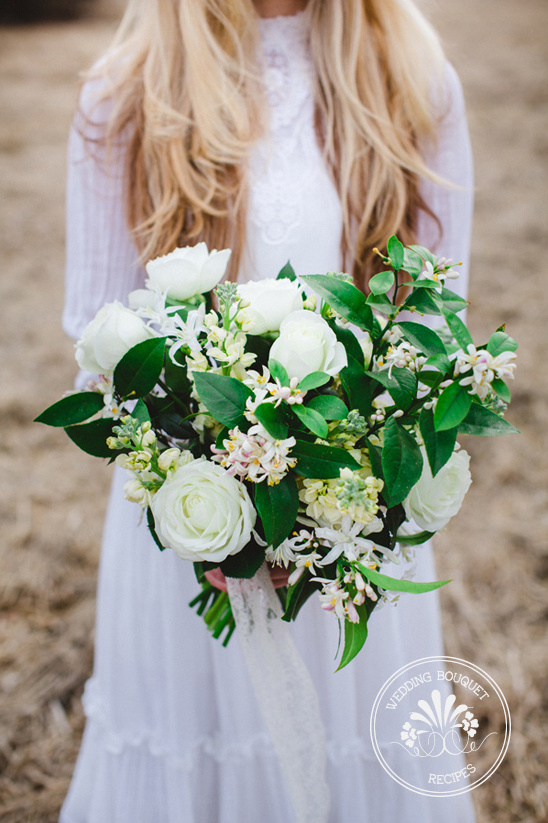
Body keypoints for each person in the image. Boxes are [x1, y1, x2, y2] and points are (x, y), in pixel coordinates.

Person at [60, 1, 475, 820]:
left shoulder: (414, 81)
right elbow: (100, 333)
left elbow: (434, 318)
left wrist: (331, 504)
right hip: (192, 524)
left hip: (350, 524)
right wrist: (222, 501)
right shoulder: (124, 93)